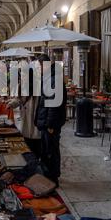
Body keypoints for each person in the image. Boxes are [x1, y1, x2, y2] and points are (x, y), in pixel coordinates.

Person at [34, 54, 67, 186]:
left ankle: (53, 179)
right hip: (46, 122)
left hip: (50, 124)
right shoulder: (48, 78)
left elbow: (55, 105)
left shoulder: (54, 80)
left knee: (51, 152)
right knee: (47, 151)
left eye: (39, 66)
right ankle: (48, 175)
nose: (38, 69)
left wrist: (50, 125)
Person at [7, 62, 41, 158]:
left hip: (35, 117)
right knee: (27, 142)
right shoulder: (21, 86)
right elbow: (19, 99)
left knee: (37, 142)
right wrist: (11, 104)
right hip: (25, 118)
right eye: (21, 75)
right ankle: (30, 162)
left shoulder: (38, 86)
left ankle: (37, 163)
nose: (22, 77)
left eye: (24, 75)